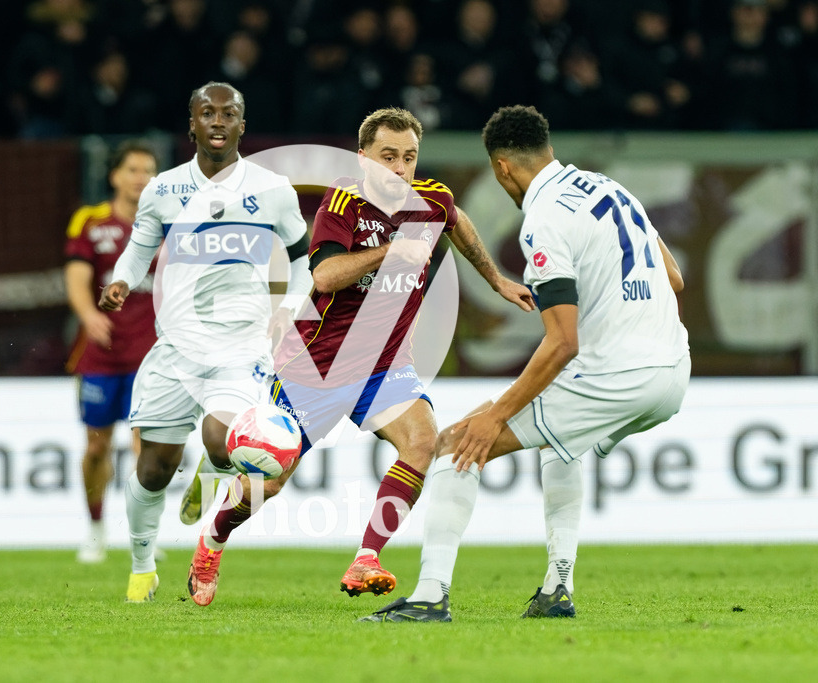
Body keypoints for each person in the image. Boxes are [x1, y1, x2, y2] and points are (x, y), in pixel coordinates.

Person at [184, 106, 534, 607]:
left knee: (422, 443)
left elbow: (456, 221)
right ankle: (212, 541)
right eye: (388, 156)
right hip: (315, 367)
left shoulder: (432, 201)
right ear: (363, 157)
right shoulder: (342, 202)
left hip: (384, 368)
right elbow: (324, 276)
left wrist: (497, 278)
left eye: (409, 157)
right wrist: (392, 250)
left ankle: (366, 557)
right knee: (269, 481)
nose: (399, 168)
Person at [362, 104, 689, 623]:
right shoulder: (608, 188)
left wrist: (495, 415)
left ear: (501, 169)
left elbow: (562, 343)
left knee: (459, 444)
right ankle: (557, 587)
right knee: (562, 447)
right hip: (673, 370)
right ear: (549, 151)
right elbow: (673, 278)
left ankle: (429, 596)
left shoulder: (544, 219)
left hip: (617, 375)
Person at [98, 81, 313, 603]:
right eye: (207, 113)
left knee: (225, 442)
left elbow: (307, 262)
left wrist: (288, 309)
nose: (218, 121)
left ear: (243, 124)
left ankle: (211, 483)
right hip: (176, 347)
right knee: (152, 469)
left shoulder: (272, 189)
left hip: (242, 347)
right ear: (191, 123)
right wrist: (123, 281)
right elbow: (137, 250)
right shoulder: (164, 189)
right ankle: (142, 566)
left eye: (229, 113)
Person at [64, 141, 158, 563]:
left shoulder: (169, 224)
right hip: (101, 353)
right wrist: (88, 315)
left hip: (150, 353)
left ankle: (144, 535)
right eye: (133, 169)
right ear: (115, 176)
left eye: (149, 171)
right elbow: (76, 276)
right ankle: (96, 526)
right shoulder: (90, 221)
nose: (141, 177)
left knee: (146, 448)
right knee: (96, 448)